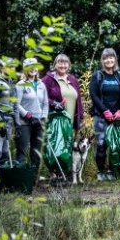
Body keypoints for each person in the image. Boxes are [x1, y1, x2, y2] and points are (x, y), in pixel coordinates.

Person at [42, 53, 85, 182]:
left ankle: (65, 174)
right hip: (56, 120)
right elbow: (42, 96)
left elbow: (79, 101)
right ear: (55, 64)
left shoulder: (73, 80)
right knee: (56, 148)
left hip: (70, 120)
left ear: (69, 65)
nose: (63, 65)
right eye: (60, 62)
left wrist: (81, 118)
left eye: (65, 63)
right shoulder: (49, 79)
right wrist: (53, 103)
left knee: (67, 147)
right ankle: (54, 175)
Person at [89, 48, 120, 181]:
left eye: (111, 57)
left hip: (117, 117)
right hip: (101, 116)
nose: (109, 60)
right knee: (101, 144)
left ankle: (113, 170)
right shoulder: (98, 75)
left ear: (115, 59)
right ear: (102, 60)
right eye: (106, 58)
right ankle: (101, 171)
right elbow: (93, 95)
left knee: (115, 145)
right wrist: (104, 111)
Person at [14, 57, 47, 168]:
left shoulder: (42, 85)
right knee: (22, 152)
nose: (33, 69)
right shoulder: (20, 85)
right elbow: (16, 104)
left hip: (38, 123)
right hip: (24, 123)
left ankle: (33, 182)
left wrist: (43, 118)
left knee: (36, 153)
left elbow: (45, 104)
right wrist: (28, 116)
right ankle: (19, 183)